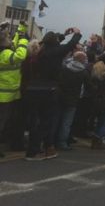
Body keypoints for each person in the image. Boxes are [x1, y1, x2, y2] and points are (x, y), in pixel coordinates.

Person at [25, 28, 81, 161]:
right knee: (45, 122)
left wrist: (64, 34)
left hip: (33, 89)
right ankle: (34, 152)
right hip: (48, 89)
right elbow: (69, 46)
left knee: (35, 121)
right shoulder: (54, 52)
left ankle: (42, 148)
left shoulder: (39, 51)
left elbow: (53, 42)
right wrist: (77, 34)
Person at [0, 25, 28, 158]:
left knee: (5, 122)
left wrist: (20, 30)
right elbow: (20, 55)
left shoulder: (6, 51)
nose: (10, 39)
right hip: (4, 95)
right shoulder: (5, 54)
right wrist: (23, 40)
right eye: (7, 37)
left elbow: (13, 44)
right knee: (1, 122)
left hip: (8, 94)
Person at [55, 51, 90, 150]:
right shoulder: (83, 72)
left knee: (57, 119)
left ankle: (51, 140)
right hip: (73, 98)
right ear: (81, 59)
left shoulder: (65, 68)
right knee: (67, 122)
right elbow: (89, 85)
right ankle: (62, 142)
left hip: (61, 96)